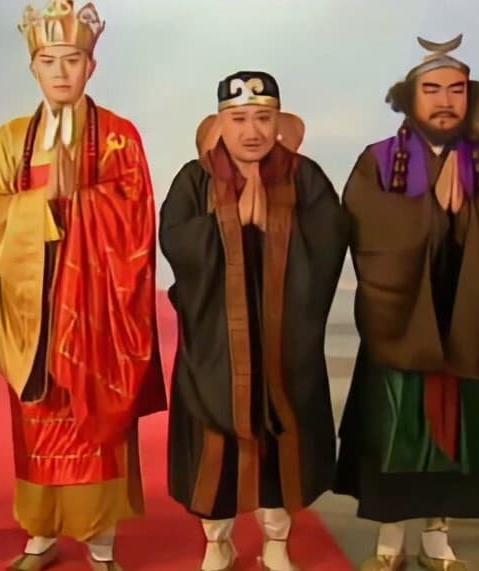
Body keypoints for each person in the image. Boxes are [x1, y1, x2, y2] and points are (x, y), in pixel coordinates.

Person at [334, 35, 479, 571]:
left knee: (456, 436)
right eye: (431, 89)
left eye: (456, 90)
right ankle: (389, 539)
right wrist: (430, 214)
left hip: (468, 319)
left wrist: (474, 214)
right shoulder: (380, 159)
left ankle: (437, 537)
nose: (445, 101)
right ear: (409, 98)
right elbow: (361, 218)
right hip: (402, 319)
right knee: (394, 431)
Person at [0, 1, 165, 569]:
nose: (61, 72)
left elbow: (138, 215)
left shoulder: (119, 137)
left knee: (96, 420)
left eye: (73, 59)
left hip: (98, 307)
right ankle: (40, 531)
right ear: (33, 66)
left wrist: (82, 200)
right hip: (35, 303)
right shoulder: (12, 138)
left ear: (91, 66)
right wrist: (41, 203)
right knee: (39, 420)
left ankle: (101, 541)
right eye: (49, 60)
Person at [161, 72, 348, 571]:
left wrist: (275, 223)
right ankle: (216, 541)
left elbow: (331, 236)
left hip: (285, 340)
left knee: (280, 442)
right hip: (216, 342)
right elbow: (174, 240)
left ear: (278, 122)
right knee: (215, 444)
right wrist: (230, 222)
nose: (252, 131)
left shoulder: (304, 176)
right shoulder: (195, 178)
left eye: (263, 118)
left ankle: (277, 542)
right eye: (239, 119)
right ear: (220, 124)